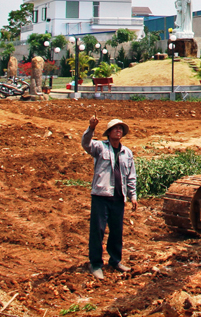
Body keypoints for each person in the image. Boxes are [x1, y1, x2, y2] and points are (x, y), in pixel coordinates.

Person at [81, 115, 137, 279]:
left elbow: (131, 175)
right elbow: (86, 144)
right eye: (115, 128)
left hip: (118, 198)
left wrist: (132, 195)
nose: (118, 131)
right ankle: (96, 264)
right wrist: (91, 128)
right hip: (101, 196)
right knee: (97, 231)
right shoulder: (100, 147)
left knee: (116, 231)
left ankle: (115, 261)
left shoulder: (127, 153)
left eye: (120, 129)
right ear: (109, 132)